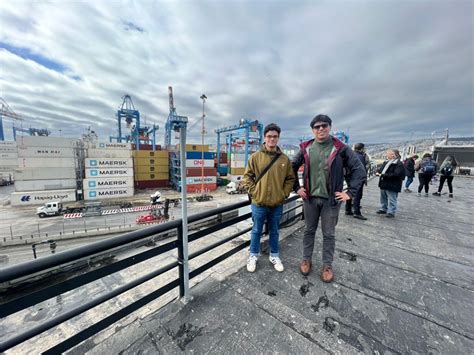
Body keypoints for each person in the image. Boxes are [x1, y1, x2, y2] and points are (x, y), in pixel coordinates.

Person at [292, 114, 365, 283]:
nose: (320, 129)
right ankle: (306, 259)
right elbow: (291, 167)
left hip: (330, 201)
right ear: (312, 130)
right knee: (309, 230)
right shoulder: (306, 148)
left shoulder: (341, 148)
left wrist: (350, 193)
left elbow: (359, 170)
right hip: (310, 199)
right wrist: (296, 187)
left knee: (329, 234)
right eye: (317, 127)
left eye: (324, 126)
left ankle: (327, 265)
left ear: (330, 127)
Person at [242, 123, 295, 273]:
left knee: (275, 230)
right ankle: (253, 255)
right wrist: (255, 192)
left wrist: (283, 193)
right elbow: (247, 177)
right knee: (256, 230)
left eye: (275, 136)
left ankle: (274, 255)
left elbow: (290, 179)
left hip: (277, 203)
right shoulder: (255, 157)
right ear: (264, 138)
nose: (272, 139)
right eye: (269, 136)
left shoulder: (284, 159)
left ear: (278, 138)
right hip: (259, 202)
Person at [376, 149, 405, 218]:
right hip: (384, 183)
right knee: (383, 197)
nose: (386, 155)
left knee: (392, 198)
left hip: (392, 184)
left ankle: (391, 212)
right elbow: (381, 170)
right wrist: (378, 172)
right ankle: (383, 208)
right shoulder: (386, 162)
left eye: (388, 153)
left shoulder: (399, 164)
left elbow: (396, 174)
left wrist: (383, 175)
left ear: (393, 155)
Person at [345, 143, 369, 220]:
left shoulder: (350, 155)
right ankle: (357, 212)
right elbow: (361, 169)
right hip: (357, 179)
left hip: (349, 178)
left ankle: (348, 210)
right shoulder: (360, 156)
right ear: (362, 149)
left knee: (349, 193)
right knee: (357, 196)